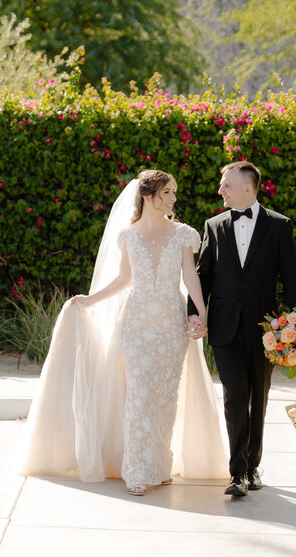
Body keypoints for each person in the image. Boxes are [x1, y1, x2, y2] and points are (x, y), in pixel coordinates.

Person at [22, 170, 229, 497]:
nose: (174, 198)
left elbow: (190, 277)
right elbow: (123, 281)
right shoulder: (128, 236)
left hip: (171, 326)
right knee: (139, 396)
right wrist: (89, 301)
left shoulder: (183, 234)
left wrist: (200, 314)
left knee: (165, 397)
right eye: (168, 192)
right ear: (149, 195)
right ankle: (135, 469)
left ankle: (159, 466)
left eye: (175, 192)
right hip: (137, 326)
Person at [189, 160, 296, 498]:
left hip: (264, 330)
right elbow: (203, 276)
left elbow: (292, 279)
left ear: (247, 187)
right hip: (224, 328)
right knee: (234, 397)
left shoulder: (279, 226)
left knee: (259, 397)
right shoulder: (214, 225)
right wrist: (195, 313)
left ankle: (253, 465)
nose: (220, 189)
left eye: (226, 184)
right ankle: (237, 472)